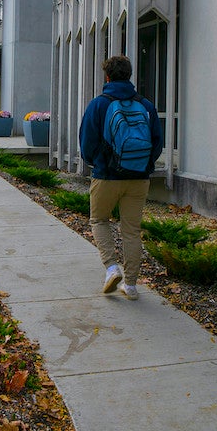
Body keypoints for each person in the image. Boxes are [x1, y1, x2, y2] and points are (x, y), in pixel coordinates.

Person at [79, 55, 163, 300]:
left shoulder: (99, 104)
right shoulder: (146, 105)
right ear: (129, 75)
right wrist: (144, 165)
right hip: (139, 177)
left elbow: (86, 143)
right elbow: (157, 142)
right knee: (131, 230)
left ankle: (111, 268)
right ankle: (133, 285)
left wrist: (99, 163)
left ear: (107, 77)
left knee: (99, 220)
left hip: (106, 176)